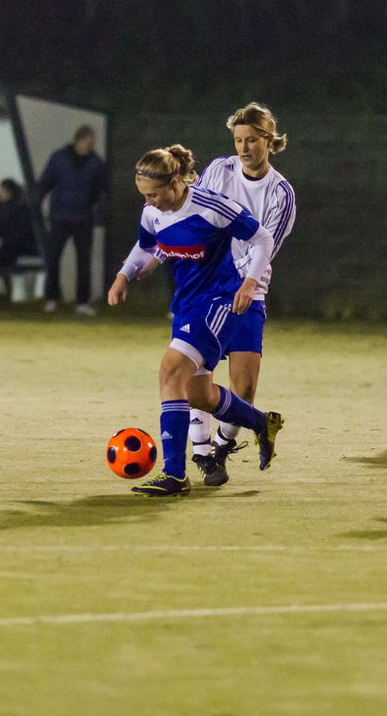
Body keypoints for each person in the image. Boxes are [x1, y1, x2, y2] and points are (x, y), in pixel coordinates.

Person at [107, 144, 284, 497]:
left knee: (170, 371)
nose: (149, 202)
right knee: (197, 395)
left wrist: (250, 282)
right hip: (187, 305)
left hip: (220, 301)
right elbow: (145, 245)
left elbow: (262, 238)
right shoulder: (152, 213)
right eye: (143, 195)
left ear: (175, 183)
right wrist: (124, 274)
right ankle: (261, 423)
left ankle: (175, 475)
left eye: (154, 194)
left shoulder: (211, 207)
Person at [186, 102, 297, 487]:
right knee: (198, 373)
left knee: (244, 386)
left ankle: (220, 446)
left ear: (269, 140)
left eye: (252, 140)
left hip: (250, 289)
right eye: (238, 140)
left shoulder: (281, 193)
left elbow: (265, 248)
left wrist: (244, 283)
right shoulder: (220, 170)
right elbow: (195, 212)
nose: (244, 148)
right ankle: (202, 454)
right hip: (209, 287)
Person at [37, 125, 108, 316]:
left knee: (84, 262)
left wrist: (98, 209)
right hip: (60, 217)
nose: (91, 145)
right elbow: (46, 182)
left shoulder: (95, 162)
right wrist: (36, 200)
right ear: (80, 140)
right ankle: (51, 298)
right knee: (53, 258)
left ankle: (82, 302)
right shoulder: (60, 158)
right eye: (89, 141)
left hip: (83, 218)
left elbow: (102, 189)